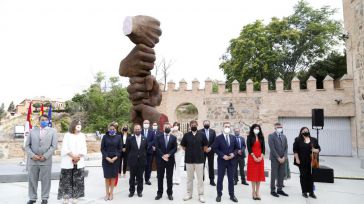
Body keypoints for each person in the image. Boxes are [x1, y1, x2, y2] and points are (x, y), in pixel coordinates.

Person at [25, 114, 58, 204]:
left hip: (46, 160)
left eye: (45, 120)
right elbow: (27, 146)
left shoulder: (53, 131)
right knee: (32, 180)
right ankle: (32, 198)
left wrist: (45, 156)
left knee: (46, 180)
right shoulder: (32, 131)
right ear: (39, 121)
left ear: (48, 121)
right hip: (33, 160)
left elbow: (54, 146)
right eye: (42, 120)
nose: (44, 121)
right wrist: (32, 155)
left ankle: (45, 198)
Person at [58, 120, 87, 204]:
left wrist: (78, 157)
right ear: (73, 125)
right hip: (68, 160)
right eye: (78, 124)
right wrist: (72, 156)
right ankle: (66, 197)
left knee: (77, 180)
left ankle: (75, 196)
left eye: (80, 124)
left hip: (79, 160)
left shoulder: (82, 136)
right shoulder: (67, 135)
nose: (79, 126)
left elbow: (84, 148)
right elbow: (65, 148)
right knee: (66, 179)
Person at [181, 120, 208, 203]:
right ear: (190, 126)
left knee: (200, 179)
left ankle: (201, 194)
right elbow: (183, 146)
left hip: (199, 160)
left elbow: (205, 146)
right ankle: (189, 193)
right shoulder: (186, 135)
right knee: (189, 179)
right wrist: (190, 151)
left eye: (195, 124)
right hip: (189, 160)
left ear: (197, 125)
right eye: (192, 125)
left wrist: (199, 152)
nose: (193, 126)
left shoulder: (202, 135)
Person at [212, 122, 239, 203]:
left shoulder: (233, 137)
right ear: (223, 128)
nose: (227, 128)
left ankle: (232, 195)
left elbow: (237, 148)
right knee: (220, 179)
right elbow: (215, 149)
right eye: (225, 126)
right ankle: (219, 195)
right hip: (221, 161)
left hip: (231, 161)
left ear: (230, 128)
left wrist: (233, 154)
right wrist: (222, 155)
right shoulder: (218, 138)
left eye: (228, 126)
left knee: (231, 179)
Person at [293, 127, 320, 199]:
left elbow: (318, 149)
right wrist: (297, 159)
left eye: (307, 130)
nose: (306, 132)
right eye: (304, 131)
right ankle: (304, 191)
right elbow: (295, 150)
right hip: (302, 161)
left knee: (311, 176)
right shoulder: (297, 139)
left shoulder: (314, 139)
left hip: (311, 161)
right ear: (301, 132)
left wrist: (315, 150)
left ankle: (311, 192)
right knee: (303, 176)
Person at [154, 122, 177, 201]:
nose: (167, 128)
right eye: (165, 127)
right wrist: (163, 155)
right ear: (163, 128)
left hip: (170, 160)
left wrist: (169, 155)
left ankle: (170, 193)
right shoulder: (158, 137)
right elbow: (157, 147)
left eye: (168, 126)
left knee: (169, 177)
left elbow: (175, 148)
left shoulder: (173, 138)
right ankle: (159, 193)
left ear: (170, 128)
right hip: (160, 160)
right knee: (160, 177)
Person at [101, 123, 122, 201]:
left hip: (115, 160)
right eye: (110, 129)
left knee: (113, 177)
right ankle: (107, 193)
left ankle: (111, 193)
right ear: (108, 129)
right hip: (106, 160)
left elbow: (120, 149)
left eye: (113, 129)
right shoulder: (105, 137)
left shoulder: (119, 137)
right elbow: (102, 149)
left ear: (115, 129)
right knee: (107, 178)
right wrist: (106, 157)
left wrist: (115, 157)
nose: (112, 130)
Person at [126, 124, 148, 198]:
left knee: (140, 178)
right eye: (136, 129)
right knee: (132, 178)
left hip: (141, 161)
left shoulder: (145, 138)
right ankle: (131, 191)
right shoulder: (129, 139)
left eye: (138, 129)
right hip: (133, 161)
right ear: (134, 130)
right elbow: (127, 150)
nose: (137, 130)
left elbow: (146, 149)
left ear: (141, 129)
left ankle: (139, 191)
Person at [268, 122, 289, 197]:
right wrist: (278, 158)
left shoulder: (284, 136)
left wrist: (284, 157)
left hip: (283, 159)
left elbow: (286, 147)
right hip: (275, 159)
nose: (280, 128)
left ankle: (279, 189)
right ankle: (273, 190)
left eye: (281, 127)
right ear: (275, 128)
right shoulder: (271, 136)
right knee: (274, 174)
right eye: (278, 127)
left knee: (281, 174)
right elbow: (272, 148)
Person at [247, 124, 265, 200]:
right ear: (253, 129)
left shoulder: (261, 137)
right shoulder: (249, 137)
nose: (257, 129)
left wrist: (261, 156)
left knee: (259, 175)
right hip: (252, 157)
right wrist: (254, 157)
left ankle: (257, 192)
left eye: (258, 128)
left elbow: (263, 148)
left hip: (260, 157)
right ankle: (253, 192)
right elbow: (249, 147)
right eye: (255, 128)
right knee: (253, 175)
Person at [199, 120, 216, 186]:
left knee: (211, 166)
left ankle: (212, 180)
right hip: (202, 151)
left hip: (210, 151)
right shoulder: (200, 131)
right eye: (205, 123)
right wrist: (204, 148)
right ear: (203, 124)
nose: (206, 124)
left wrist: (210, 148)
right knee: (201, 166)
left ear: (209, 124)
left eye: (207, 123)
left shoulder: (213, 131)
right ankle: (201, 180)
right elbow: (199, 141)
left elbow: (215, 141)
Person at [141, 119, 156, 185]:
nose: (146, 124)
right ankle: (138, 179)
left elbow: (154, 140)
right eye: (145, 123)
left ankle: (147, 179)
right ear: (143, 124)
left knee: (148, 166)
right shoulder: (140, 131)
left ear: (149, 124)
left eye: (147, 123)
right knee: (140, 165)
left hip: (149, 151)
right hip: (141, 152)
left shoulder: (152, 132)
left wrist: (148, 145)